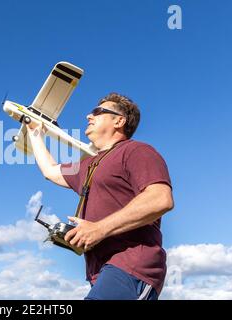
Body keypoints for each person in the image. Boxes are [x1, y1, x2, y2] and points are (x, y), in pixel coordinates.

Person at [26, 92, 174, 300]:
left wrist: (98, 229)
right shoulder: (88, 165)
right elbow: (50, 171)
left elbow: (160, 199)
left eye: (98, 112)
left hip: (132, 265)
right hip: (103, 272)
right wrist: (35, 134)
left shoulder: (137, 151)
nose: (89, 116)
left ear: (119, 121)